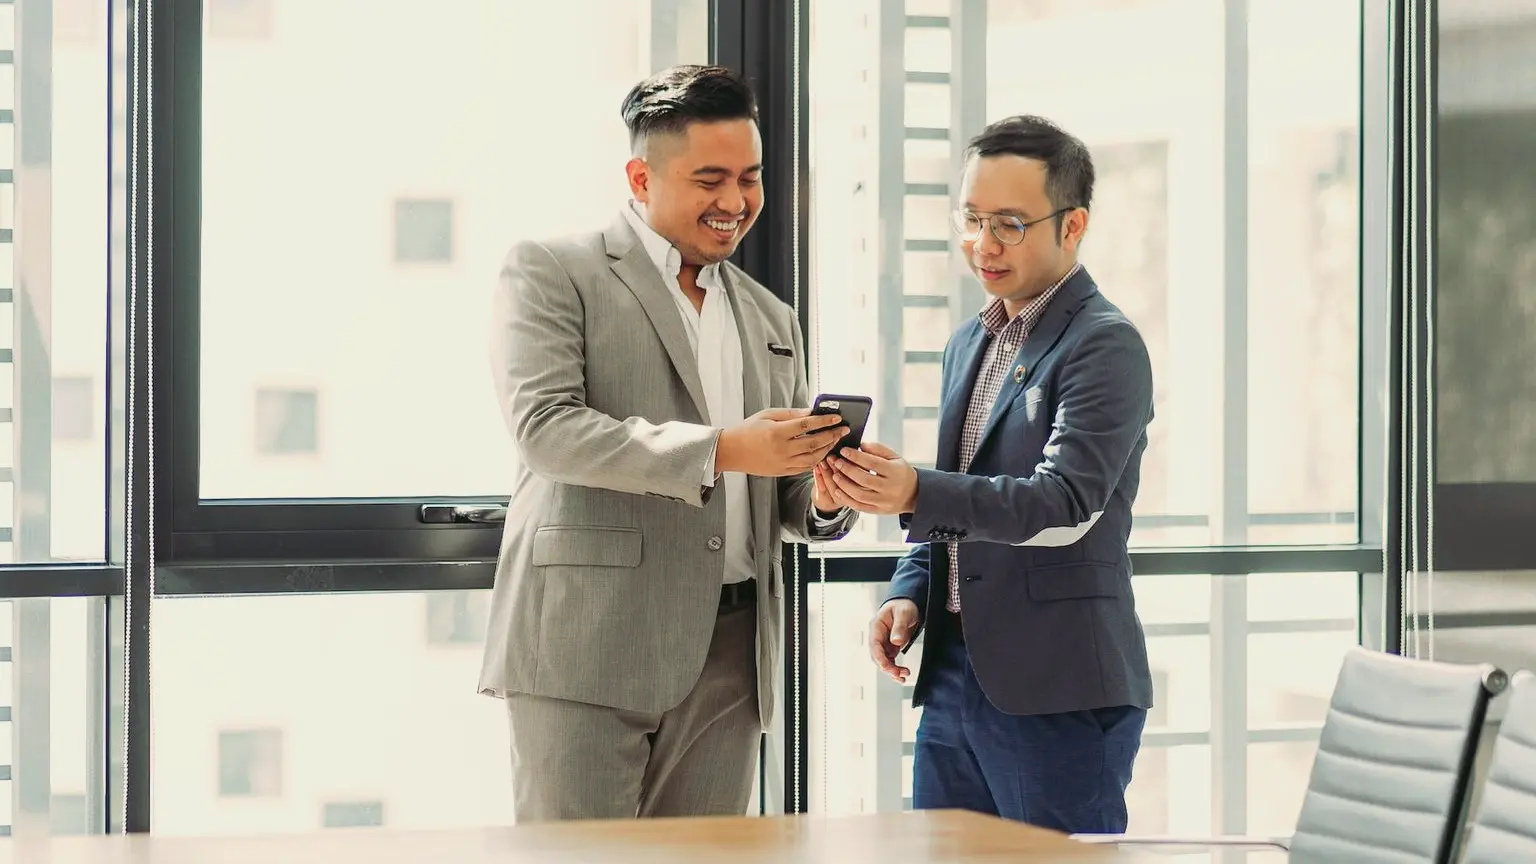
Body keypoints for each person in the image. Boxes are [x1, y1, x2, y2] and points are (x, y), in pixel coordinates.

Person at [479, 64, 857, 822]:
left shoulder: (772, 317)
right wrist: (720, 449)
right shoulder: (555, 271)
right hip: (588, 642)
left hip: (735, 656)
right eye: (709, 178)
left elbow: (775, 492)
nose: (736, 201)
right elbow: (547, 431)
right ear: (640, 177)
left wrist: (821, 494)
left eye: (749, 177)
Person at [814, 115, 1154, 834]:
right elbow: (962, 492)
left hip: (1055, 688)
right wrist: (911, 591)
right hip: (952, 676)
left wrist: (912, 489)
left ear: (1073, 225)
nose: (982, 244)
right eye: (970, 218)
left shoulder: (1105, 346)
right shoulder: (972, 339)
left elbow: (1064, 503)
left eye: (1007, 222)